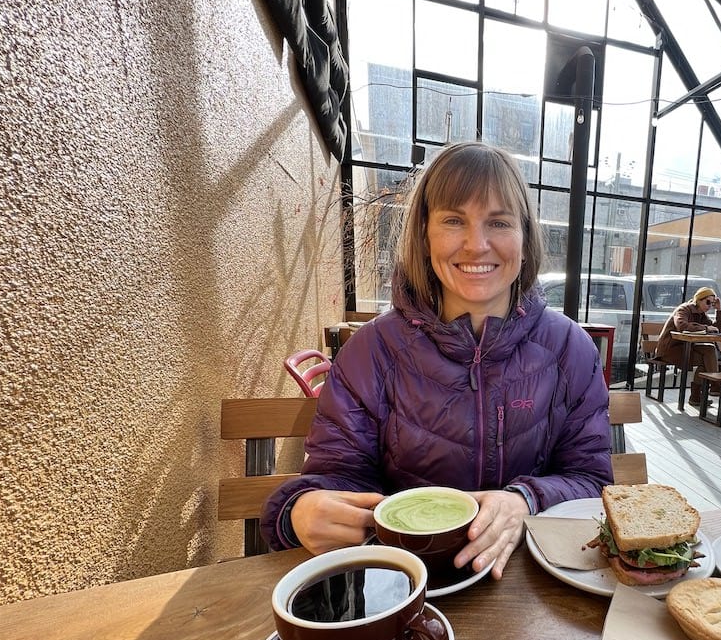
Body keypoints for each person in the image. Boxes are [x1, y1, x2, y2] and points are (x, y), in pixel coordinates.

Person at [261, 142, 613, 578]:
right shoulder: (371, 353)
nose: (477, 244)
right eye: (453, 220)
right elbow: (337, 477)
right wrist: (302, 509)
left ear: (524, 239)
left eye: (498, 222)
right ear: (424, 236)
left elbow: (591, 482)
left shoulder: (570, 351)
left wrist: (525, 499)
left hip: (533, 586)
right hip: (400, 587)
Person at [654, 287, 721, 407]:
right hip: (671, 349)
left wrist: (719, 310)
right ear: (698, 300)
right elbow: (682, 325)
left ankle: (705, 391)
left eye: (712, 303)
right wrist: (706, 328)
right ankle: (709, 389)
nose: (709, 306)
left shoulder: (701, 314)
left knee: (709, 350)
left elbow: (717, 329)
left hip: (687, 348)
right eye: (707, 302)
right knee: (707, 356)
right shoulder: (684, 309)